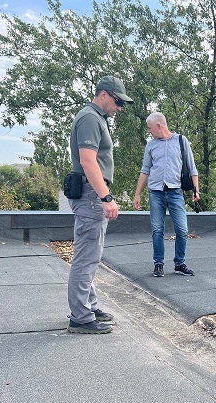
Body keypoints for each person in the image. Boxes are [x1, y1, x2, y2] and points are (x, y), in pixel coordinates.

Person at [67, 76, 133, 334]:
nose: (120, 107)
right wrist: (106, 197)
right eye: (118, 101)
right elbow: (88, 161)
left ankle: (89, 306)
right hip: (91, 194)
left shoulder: (96, 118)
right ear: (103, 94)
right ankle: (81, 317)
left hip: (90, 193)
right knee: (85, 258)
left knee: (91, 255)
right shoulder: (90, 118)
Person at [133, 112, 200, 277]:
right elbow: (145, 170)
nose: (149, 131)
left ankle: (179, 263)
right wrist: (137, 194)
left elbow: (192, 168)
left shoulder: (181, 141)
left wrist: (196, 190)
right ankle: (158, 264)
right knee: (157, 230)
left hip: (175, 191)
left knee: (182, 230)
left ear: (158, 126)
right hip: (155, 192)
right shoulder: (150, 145)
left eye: (150, 128)